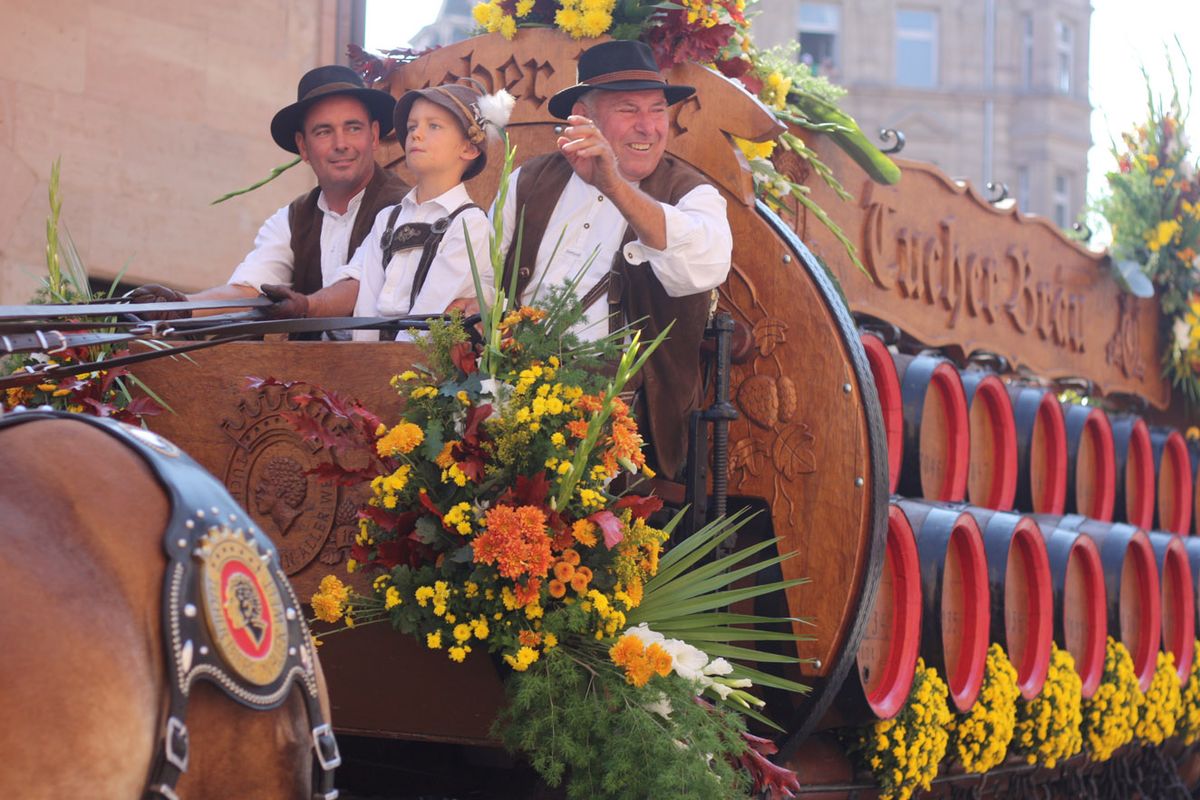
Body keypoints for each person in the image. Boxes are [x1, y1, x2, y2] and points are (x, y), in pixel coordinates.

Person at [491, 39, 733, 482]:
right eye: (627, 110)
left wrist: (614, 183)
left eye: (657, 110)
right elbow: (482, 286)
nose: (649, 127)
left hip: (627, 430)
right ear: (583, 118)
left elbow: (705, 265)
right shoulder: (528, 180)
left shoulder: (692, 193)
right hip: (510, 402)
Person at [130, 65, 410, 324]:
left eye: (352, 128)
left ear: (373, 136)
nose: (340, 144)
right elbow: (249, 290)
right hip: (308, 372)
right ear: (303, 146)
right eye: (324, 132)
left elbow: (358, 285)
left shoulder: (407, 208)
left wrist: (305, 305)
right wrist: (180, 305)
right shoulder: (292, 219)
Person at [258, 82, 509, 340]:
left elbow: (428, 321)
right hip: (375, 365)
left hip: (424, 369)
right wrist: (363, 361)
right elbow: (364, 306)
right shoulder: (387, 219)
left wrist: (388, 369)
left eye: (433, 126)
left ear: (468, 148)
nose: (416, 134)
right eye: (412, 126)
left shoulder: (469, 225)